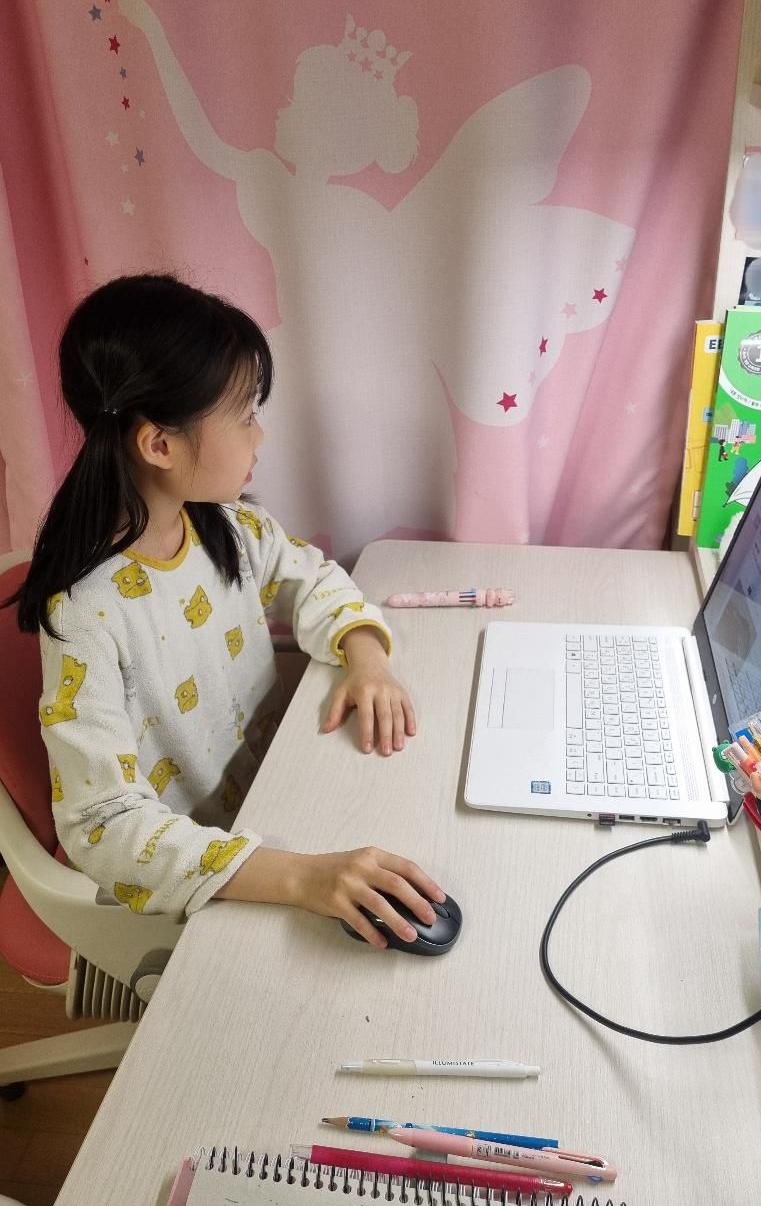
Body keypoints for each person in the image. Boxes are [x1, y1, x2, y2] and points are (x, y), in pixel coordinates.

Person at [6, 273, 445, 948]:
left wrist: (367, 658)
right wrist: (301, 877)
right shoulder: (85, 618)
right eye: (244, 416)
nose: (259, 437)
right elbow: (103, 825)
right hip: (209, 872)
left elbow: (309, 577)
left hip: (279, 797)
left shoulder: (225, 527)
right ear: (159, 444)